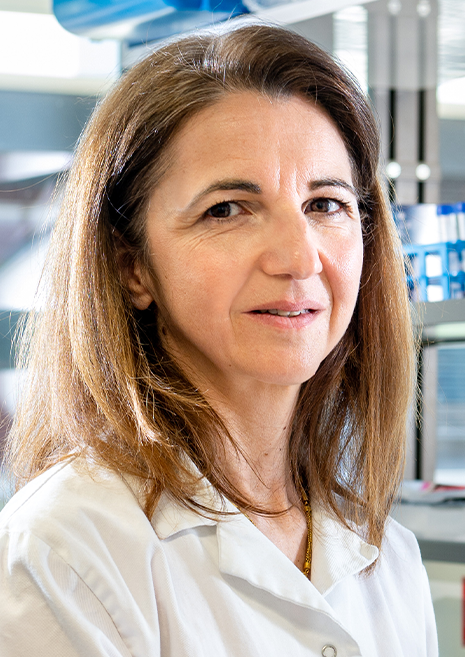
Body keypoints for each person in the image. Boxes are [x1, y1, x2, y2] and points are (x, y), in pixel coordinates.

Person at [0, 21, 437, 656]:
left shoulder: (388, 557)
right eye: (227, 209)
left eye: (325, 204)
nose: (299, 258)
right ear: (132, 266)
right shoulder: (67, 549)